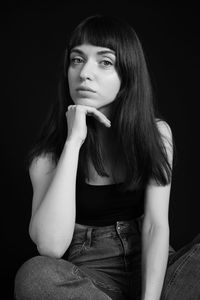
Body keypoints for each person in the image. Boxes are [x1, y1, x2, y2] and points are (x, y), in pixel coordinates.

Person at [14, 14, 200, 300]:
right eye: (77, 59)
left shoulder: (156, 133)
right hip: (91, 280)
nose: (85, 73)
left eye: (105, 62)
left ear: (127, 74)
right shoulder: (47, 157)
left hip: (156, 273)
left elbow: (155, 225)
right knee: (34, 275)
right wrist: (73, 142)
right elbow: (50, 248)